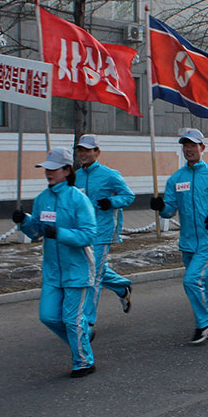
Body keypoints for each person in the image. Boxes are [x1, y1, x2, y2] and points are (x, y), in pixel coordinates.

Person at [13, 147, 97, 377]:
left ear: (67, 170)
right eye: (46, 169)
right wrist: (24, 221)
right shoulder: (42, 199)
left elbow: (89, 234)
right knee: (48, 316)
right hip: (53, 271)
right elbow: (36, 232)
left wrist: (60, 233)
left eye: (54, 169)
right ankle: (83, 336)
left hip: (77, 269)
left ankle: (83, 362)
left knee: (71, 319)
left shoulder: (78, 199)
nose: (48, 172)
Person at [151, 129, 208, 343]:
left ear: (202, 148)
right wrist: (160, 207)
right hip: (188, 241)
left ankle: (204, 322)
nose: (189, 149)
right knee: (202, 283)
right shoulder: (176, 179)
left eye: (193, 145)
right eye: (186, 145)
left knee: (191, 280)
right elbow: (169, 211)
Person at [74, 134, 134, 338]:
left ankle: (87, 322)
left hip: (102, 232)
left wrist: (112, 202)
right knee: (96, 269)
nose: (83, 154)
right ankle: (122, 288)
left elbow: (128, 196)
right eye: (80, 150)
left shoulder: (110, 175)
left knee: (93, 275)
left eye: (87, 150)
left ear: (97, 152)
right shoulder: (75, 177)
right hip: (82, 233)